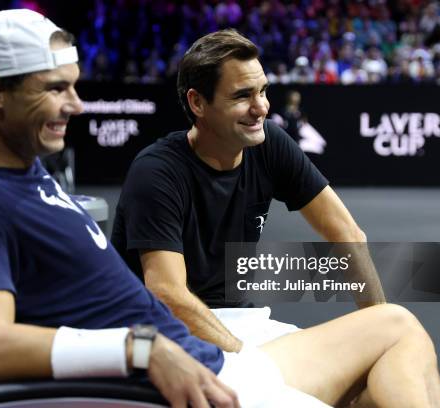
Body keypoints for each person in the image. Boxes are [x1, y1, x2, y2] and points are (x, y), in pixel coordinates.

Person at [0, 10, 440, 407]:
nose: (77, 104)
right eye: (55, 89)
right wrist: (141, 349)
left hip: (204, 357)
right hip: (194, 380)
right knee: (396, 331)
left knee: (393, 357)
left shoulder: (19, 173)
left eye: (75, 85)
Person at [111, 29, 386, 353]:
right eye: (242, 96)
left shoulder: (270, 142)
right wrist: (247, 357)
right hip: (160, 332)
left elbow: (346, 232)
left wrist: (376, 331)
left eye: (263, 91)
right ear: (197, 102)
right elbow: (168, 294)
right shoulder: (156, 172)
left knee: (395, 331)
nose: (261, 108)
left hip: (243, 322)